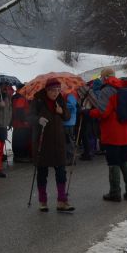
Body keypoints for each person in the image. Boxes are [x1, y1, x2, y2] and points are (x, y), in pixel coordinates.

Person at [90, 76, 127, 202]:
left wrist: (89, 113)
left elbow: (104, 112)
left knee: (113, 163)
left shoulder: (107, 91)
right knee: (124, 161)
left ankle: (115, 192)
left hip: (113, 135)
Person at [30, 79, 74, 212]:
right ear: (47, 90)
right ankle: (43, 201)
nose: (56, 93)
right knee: (42, 172)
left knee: (61, 171)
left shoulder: (60, 100)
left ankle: (62, 201)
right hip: (42, 142)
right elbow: (28, 117)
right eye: (53, 90)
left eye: (58, 90)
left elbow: (67, 116)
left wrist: (62, 112)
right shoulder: (37, 101)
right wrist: (38, 119)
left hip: (58, 141)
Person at [11, 89, 32, 162]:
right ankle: (20, 156)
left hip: (17, 123)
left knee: (17, 139)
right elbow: (19, 110)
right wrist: (24, 120)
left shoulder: (15, 97)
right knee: (21, 140)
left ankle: (18, 156)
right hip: (21, 124)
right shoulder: (21, 98)